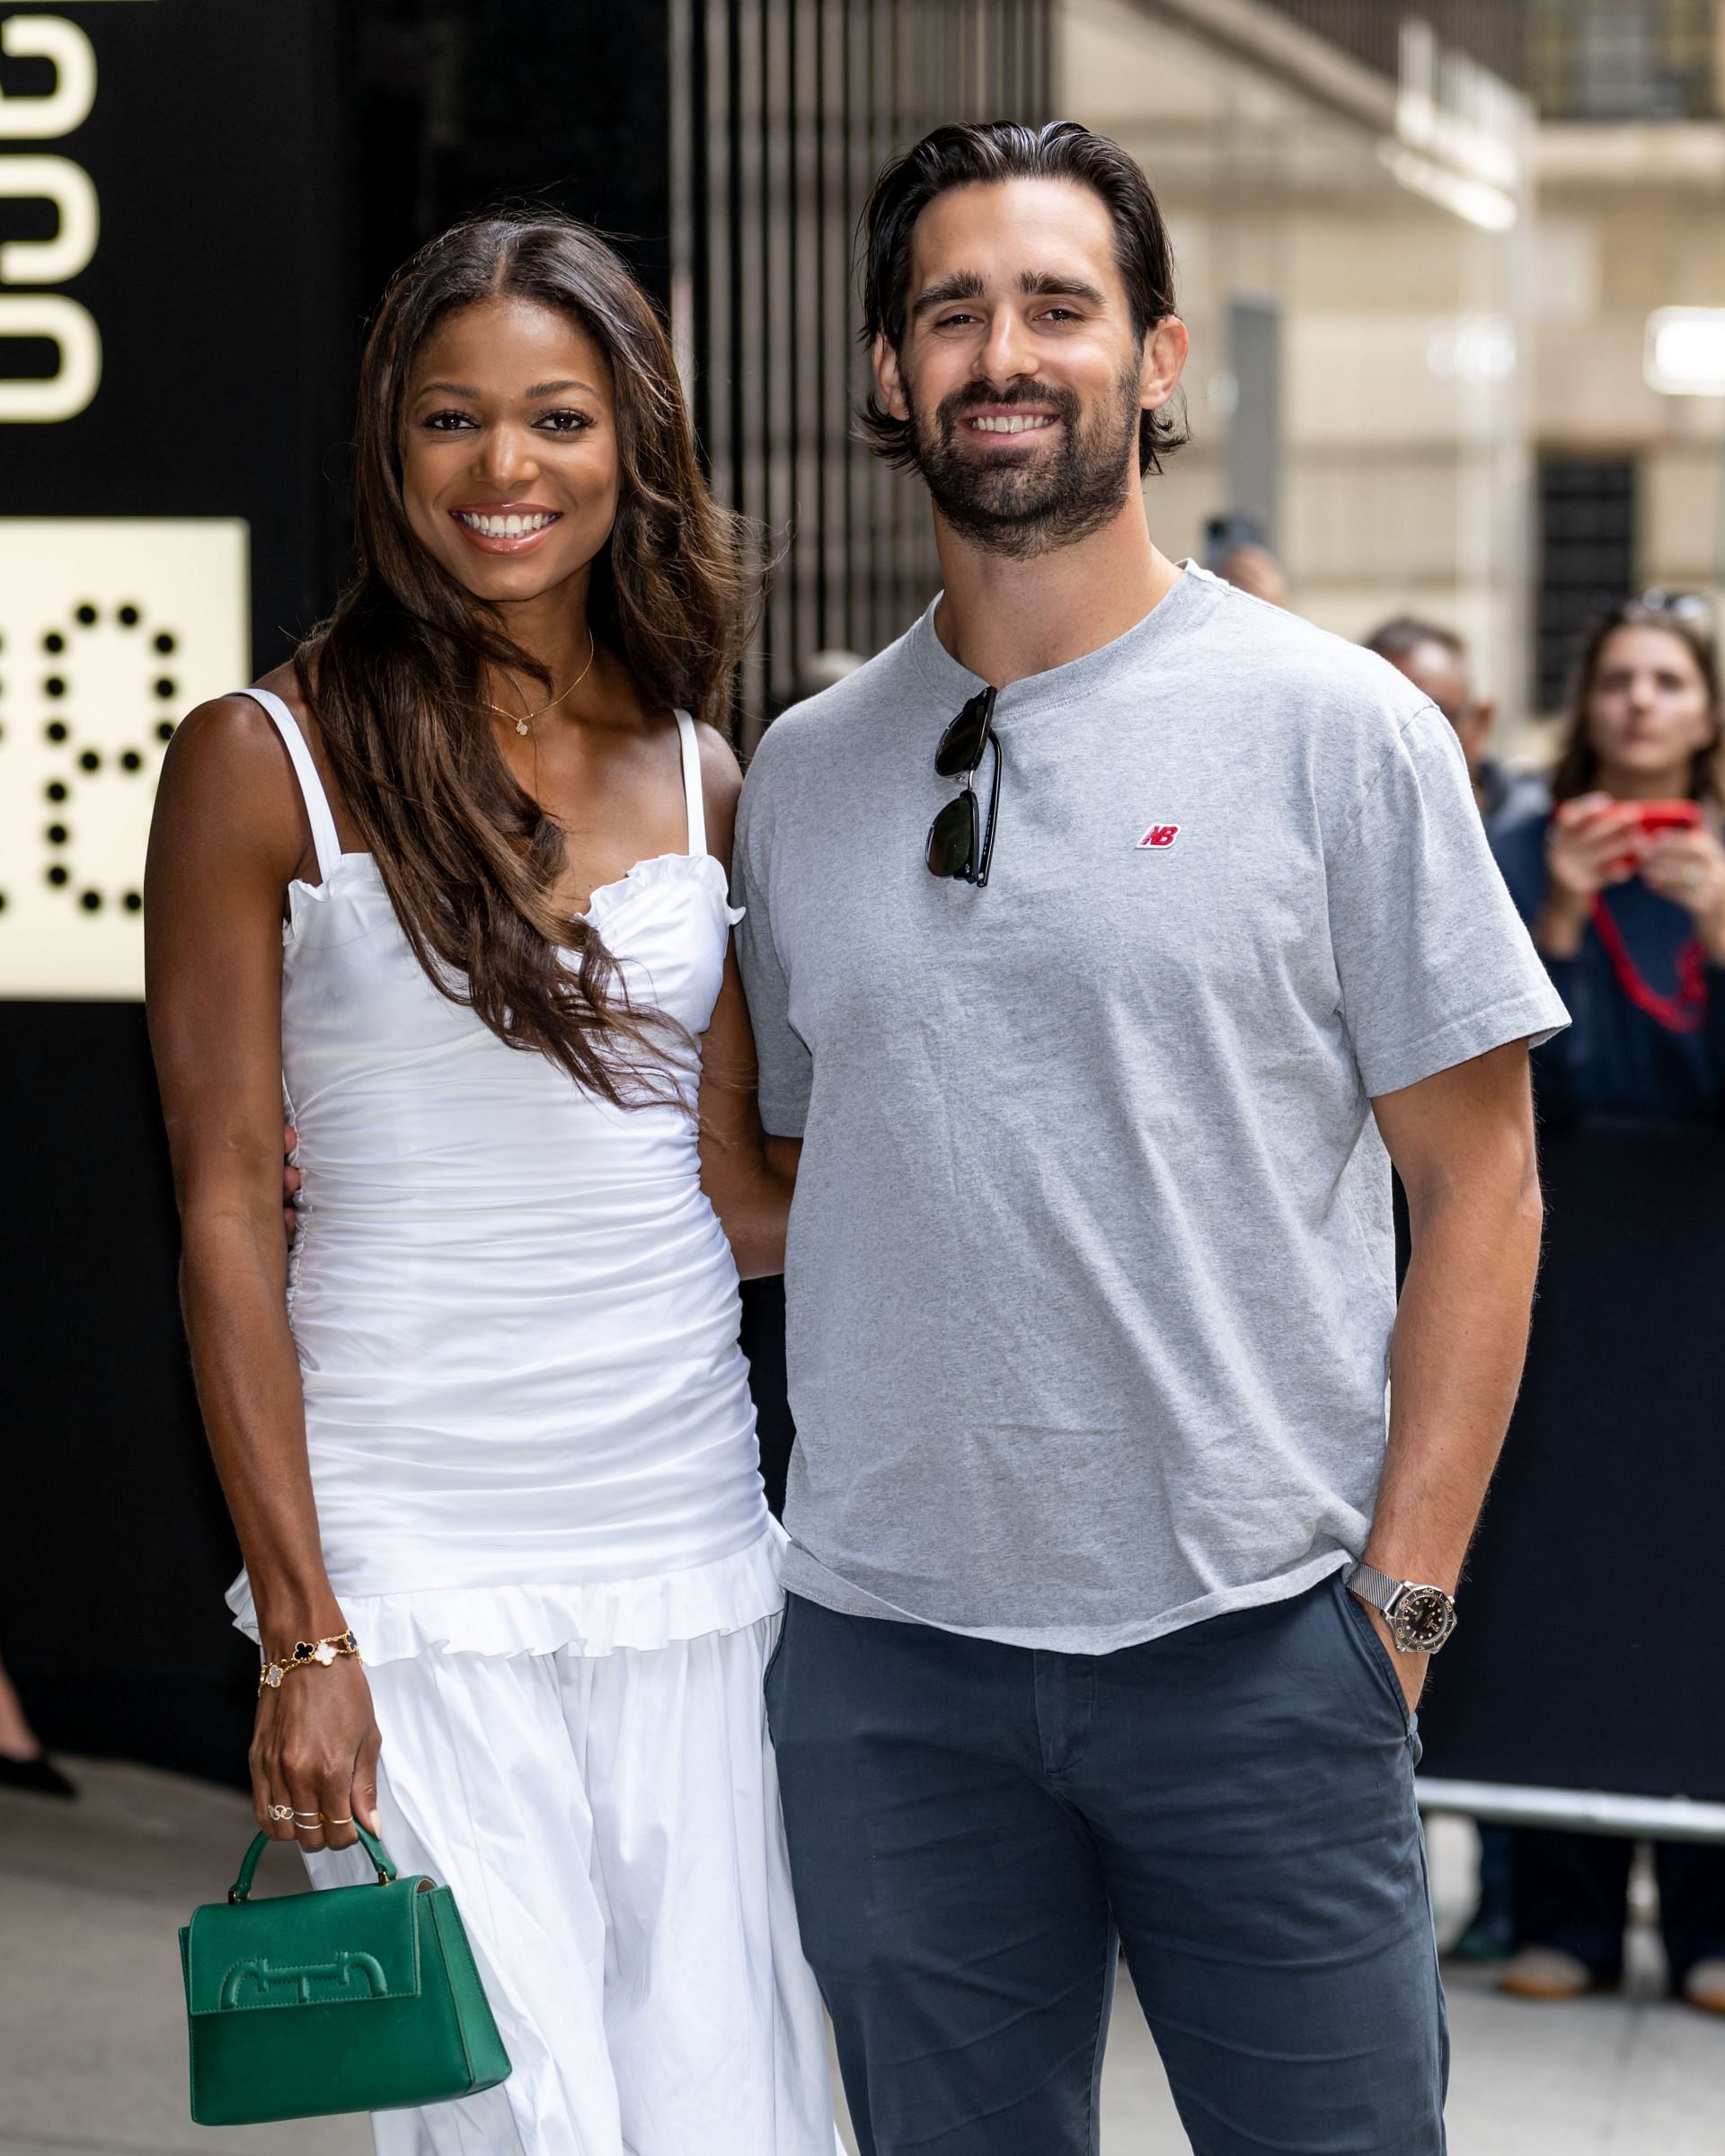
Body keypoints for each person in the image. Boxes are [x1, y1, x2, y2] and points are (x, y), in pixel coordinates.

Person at [734, 120, 1567, 2155]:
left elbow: (1485, 1182)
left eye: (1054, 305)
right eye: (950, 310)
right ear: (882, 372)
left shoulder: (1336, 725)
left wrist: (1401, 1608)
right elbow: (783, 1177)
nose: (1000, 351)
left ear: (1157, 356)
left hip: (1258, 1656)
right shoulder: (801, 768)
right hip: (888, 1672)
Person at [146, 212, 834, 2155]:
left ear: (634, 446)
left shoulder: (707, 768)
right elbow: (218, 1214)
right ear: (390, 444)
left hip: (693, 1548)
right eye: (453, 417)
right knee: (514, 2122)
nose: (505, 469)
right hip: (413, 1563)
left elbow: (730, 1194)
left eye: (558, 415)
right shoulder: (259, 760)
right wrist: (306, 1631)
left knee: (730, 2114)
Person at [1489, 597, 1725, 2012]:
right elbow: (1514, 1091)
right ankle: (1564, 1914)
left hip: (1703, 1281)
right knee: (1555, 1561)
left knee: (1706, 1583)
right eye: (1617, 683)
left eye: (1669, 682)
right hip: (1570, 1272)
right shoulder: (1517, 850)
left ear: (1705, 712)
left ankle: (1708, 1921)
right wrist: (1563, 915)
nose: (1641, 703)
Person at [1367, 615, 1548, 834]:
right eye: (1384, 724)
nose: (1408, 744)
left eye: (1433, 721)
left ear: (1481, 722)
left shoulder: (1541, 827)